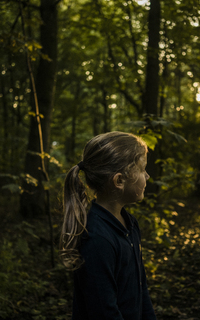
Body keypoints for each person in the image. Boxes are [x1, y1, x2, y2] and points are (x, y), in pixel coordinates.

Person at [60, 131, 157, 320]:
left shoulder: (130, 224)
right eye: (142, 169)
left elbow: (141, 288)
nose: (147, 176)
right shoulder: (96, 238)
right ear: (119, 180)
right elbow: (104, 311)